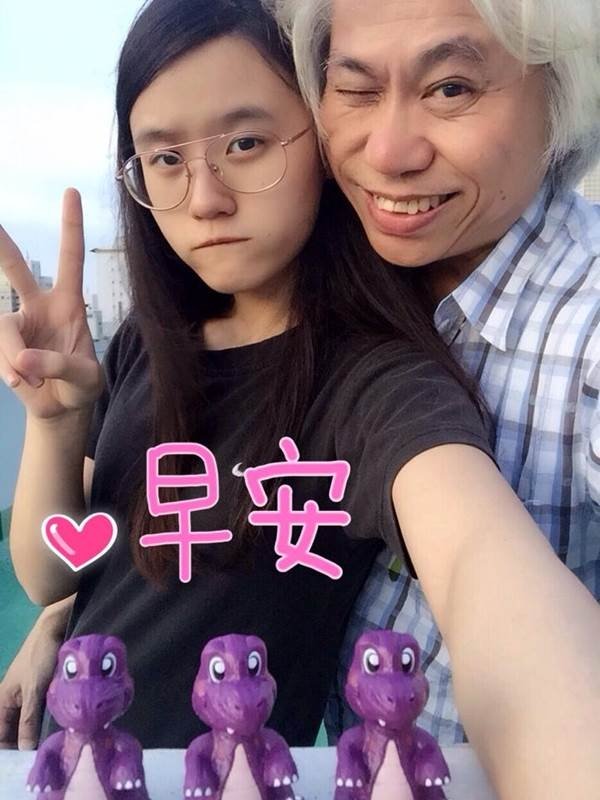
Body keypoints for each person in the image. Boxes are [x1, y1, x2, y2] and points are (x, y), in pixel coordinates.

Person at [1, 0, 600, 796]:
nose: (205, 199)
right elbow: (57, 569)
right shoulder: (149, 341)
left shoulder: (372, 374)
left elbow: (481, 563)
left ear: (314, 139)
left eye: (246, 144)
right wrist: (55, 424)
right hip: (70, 755)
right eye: (166, 159)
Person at [268, 0, 600, 746]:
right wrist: (77, 605)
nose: (388, 153)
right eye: (355, 89)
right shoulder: (325, 275)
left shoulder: (585, 326)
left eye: (451, 88)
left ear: (564, 94)